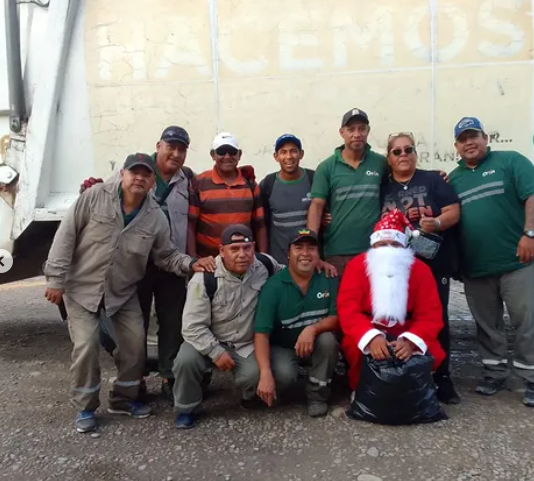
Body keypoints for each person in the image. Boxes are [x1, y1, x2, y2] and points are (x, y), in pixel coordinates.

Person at [43, 153, 213, 434]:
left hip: (121, 292)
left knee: (135, 345)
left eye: (146, 175)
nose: (139, 178)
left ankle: (123, 399)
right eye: (134, 172)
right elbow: (66, 235)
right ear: (122, 174)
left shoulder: (155, 217)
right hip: (82, 288)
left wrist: (191, 264)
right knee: (86, 346)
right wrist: (55, 279)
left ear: (152, 182)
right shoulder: (95, 196)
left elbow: (166, 255)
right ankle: (85, 407)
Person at [79, 126, 202, 402]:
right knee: (135, 326)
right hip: (136, 265)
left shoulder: (188, 179)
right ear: (158, 145)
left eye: (182, 149)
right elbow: (105, 195)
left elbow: (193, 220)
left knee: (173, 322)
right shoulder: (136, 170)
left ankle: (170, 377)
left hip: (171, 261)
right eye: (171, 147)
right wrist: (89, 186)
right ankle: (137, 380)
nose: (176, 153)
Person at [449, 117, 534, 406]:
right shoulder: (454, 179)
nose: (469, 143)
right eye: (463, 139)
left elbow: (531, 196)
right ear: (457, 146)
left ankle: (531, 376)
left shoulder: (511, 161)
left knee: (527, 321)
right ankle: (494, 372)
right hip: (476, 268)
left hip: (518, 261)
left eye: (474, 136)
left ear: (486, 138)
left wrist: (530, 234)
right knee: (487, 325)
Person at [173, 224, 283, 429]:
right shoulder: (204, 277)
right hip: (210, 339)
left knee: (254, 375)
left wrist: (315, 265)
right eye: (234, 249)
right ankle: (186, 407)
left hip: (245, 343)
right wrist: (215, 353)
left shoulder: (266, 265)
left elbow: (289, 275)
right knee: (185, 361)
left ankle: (248, 397)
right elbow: (192, 326)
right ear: (222, 251)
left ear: (254, 247)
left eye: (247, 248)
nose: (242, 254)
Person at [381, 132, 461, 404]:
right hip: (396, 268)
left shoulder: (434, 180)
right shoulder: (382, 187)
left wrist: (437, 223)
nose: (403, 155)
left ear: (416, 153)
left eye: (408, 149)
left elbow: (453, 211)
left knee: (437, 319)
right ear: (389, 158)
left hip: (433, 264)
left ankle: (443, 377)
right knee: (401, 319)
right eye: (397, 151)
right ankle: (409, 374)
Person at [337, 210, 445, 391]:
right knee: (354, 346)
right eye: (381, 245)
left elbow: (430, 314)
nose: (388, 250)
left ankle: (415, 390)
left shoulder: (421, 270)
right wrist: (372, 337)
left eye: (394, 245)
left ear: (403, 247)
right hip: (369, 326)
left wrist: (410, 341)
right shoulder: (356, 266)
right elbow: (347, 308)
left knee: (431, 349)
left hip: (407, 329)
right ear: (373, 246)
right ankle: (362, 390)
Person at [254, 228, 340, 417]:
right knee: (284, 375)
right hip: (284, 346)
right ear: (288, 254)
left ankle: (317, 395)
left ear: (318, 254)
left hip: (314, 342)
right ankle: (280, 384)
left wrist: (312, 329)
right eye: (298, 248)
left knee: (328, 340)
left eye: (311, 248)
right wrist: (265, 373)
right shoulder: (273, 286)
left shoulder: (329, 278)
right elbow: (261, 333)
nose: (305, 253)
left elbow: (336, 319)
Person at [307, 108, 387, 277]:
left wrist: (435, 176)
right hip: (337, 255)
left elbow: (404, 175)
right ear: (342, 132)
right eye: (351, 129)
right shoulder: (326, 167)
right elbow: (316, 206)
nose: (357, 134)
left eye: (362, 129)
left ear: (368, 131)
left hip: (375, 251)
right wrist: (311, 248)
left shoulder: (381, 163)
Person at [188, 132, 268, 258]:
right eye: (221, 152)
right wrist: (193, 260)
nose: (227, 156)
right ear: (213, 155)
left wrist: (263, 258)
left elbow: (260, 225)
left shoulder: (251, 185)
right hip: (208, 261)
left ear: (239, 154)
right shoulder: (198, 183)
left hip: (243, 260)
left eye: (232, 152)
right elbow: (191, 225)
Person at [260, 134, 315, 264]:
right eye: (283, 152)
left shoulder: (314, 179)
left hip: (308, 259)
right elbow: (261, 223)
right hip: (278, 261)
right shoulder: (268, 184)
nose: (289, 156)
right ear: (276, 156)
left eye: (293, 151)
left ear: (301, 154)